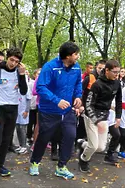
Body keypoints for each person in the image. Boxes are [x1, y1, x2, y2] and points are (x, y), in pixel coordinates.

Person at [29, 41, 82, 180]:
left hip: (68, 110)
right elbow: (40, 87)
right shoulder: (50, 67)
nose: (78, 57)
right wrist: (56, 100)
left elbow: (78, 84)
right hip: (49, 111)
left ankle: (61, 167)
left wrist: (78, 96)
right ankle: (35, 162)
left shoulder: (76, 67)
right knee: (44, 137)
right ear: (68, 56)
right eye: (76, 54)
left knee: (70, 136)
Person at [0, 47, 27, 177]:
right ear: (7, 57)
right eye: (11, 60)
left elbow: (24, 91)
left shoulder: (19, 73)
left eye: (16, 61)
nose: (13, 63)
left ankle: (0, 165)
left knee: (6, 140)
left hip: (13, 108)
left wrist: (21, 75)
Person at [78, 60, 122, 172]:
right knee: (93, 146)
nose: (117, 74)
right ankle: (83, 160)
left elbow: (118, 101)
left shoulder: (117, 83)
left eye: (118, 72)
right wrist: (97, 121)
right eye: (114, 72)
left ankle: (82, 143)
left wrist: (118, 117)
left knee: (101, 147)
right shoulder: (97, 84)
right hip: (91, 116)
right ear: (107, 70)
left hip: (104, 116)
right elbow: (88, 104)